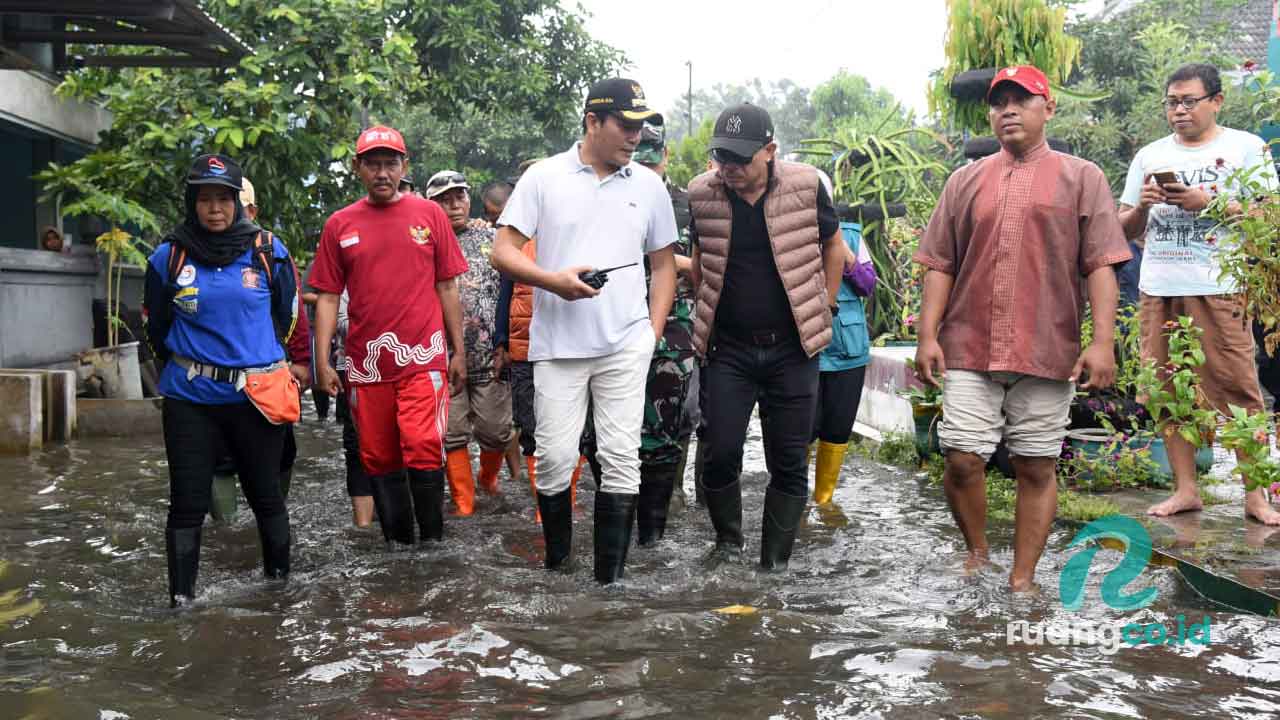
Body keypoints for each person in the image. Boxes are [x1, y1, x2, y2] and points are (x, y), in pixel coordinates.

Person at [913, 66, 1131, 592]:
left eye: (1022, 100)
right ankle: (977, 552)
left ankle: (1022, 577)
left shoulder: (1082, 178)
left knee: (1035, 465)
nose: (1007, 110)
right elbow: (940, 263)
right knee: (962, 458)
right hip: (969, 343)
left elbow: (1101, 264)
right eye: (998, 102)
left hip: (1047, 345)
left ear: (1048, 108)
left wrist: (1102, 343)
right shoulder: (964, 181)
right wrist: (927, 335)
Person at [491, 78, 677, 583]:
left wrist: (652, 332)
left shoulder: (648, 186)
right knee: (555, 459)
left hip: (626, 344)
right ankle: (558, 568)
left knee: (621, 458)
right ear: (593, 121)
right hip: (558, 346)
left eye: (640, 126)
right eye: (626, 125)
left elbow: (663, 265)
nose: (636, 137)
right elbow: (502, 251)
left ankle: (608, 586)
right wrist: (553, 281)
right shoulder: (544, 178)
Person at [1116, 63, 1280, 525]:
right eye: (1172, 102)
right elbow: (1121, 227)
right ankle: (1186, 490)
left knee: (1238, 390)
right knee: (1167, 390)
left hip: (1219, 287)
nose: (1179, 110)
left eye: (1189, 101)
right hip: (1159, 288)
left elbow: (1269, 216)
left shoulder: (1246, 147)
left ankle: (1256, 498)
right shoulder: (1149, 155)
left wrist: (1208, 203)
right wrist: (1142, 207)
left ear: (1216, 101)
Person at [688, 103, 846, 571]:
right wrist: (706, 308)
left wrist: (827, 304)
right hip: (728, 349)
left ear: (770, 150)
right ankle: (727, 544)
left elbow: (834, 245)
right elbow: (699, 258)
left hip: (792, 349)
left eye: (740, 158)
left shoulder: (806, 185)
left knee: (789, 458)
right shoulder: (701, 193)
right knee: (720, 450)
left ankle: (774, 563)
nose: (729, 168)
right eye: (722, 157)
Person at [142, 154, 301, 606]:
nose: (215, 208)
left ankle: (278, 594)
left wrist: (254, 357)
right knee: (187, 504)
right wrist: (192, 365)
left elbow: (287, 317)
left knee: (266, 497)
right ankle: (181, 602)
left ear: (237, 203)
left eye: (224, 199)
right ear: (191, 203)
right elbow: (156, 328)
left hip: (256, 396)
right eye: (205, 199)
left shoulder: (268, 251)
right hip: (190, 399)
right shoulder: (168, 257)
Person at [310, 125, 469, 547]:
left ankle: (432, 546)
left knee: (422, 442)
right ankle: (398, 549)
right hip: (365, 365)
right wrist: (322, 361)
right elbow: (328, 296)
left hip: (424, 356)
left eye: (390, 164)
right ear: (358, 168)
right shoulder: (339, 224)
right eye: (373, 164)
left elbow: (447, 286)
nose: (382, 173)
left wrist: (458, 351)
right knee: (378, 456)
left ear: (404, 166)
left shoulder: (430, 215)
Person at [208, 176, 313, 523]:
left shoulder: (269, 252)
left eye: (234, 206)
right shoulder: (191, 252)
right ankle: (226, 530)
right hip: (212, 377)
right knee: (219, 458)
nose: (223, 214)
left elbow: (293, 310)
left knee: (281, 450)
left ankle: (270, 518)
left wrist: (302, 360)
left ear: (251, 211)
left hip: (268, 374)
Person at [426, 169, 514, 515]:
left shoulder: (493, 237)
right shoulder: (424, 243)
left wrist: (507, 343)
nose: (453, 206)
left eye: (459, 197)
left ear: (468, 198)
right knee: (452, 433)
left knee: (496, 431)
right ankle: (463, 503)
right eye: (444, 200)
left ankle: (487, 480)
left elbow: (512, 289)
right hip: (443, 355)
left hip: (490, 353)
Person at [629, 120, 697, 545]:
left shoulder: (688, 204)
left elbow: (706, 265)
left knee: (675, 418)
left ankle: (667, 501)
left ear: (665, 157)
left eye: (653, 162)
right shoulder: (616, 199)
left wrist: (672, 262)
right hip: (620, 322)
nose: (647, 170)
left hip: (676, 325)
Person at [810, 214, 876, 508]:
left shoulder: (851, 234)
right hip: (805, 351)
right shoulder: (789, 230)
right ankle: (795, 501)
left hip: (847, 351)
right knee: (801, 429)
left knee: (837, 430)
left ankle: (824, 501)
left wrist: (845, 254)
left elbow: (868, 285)